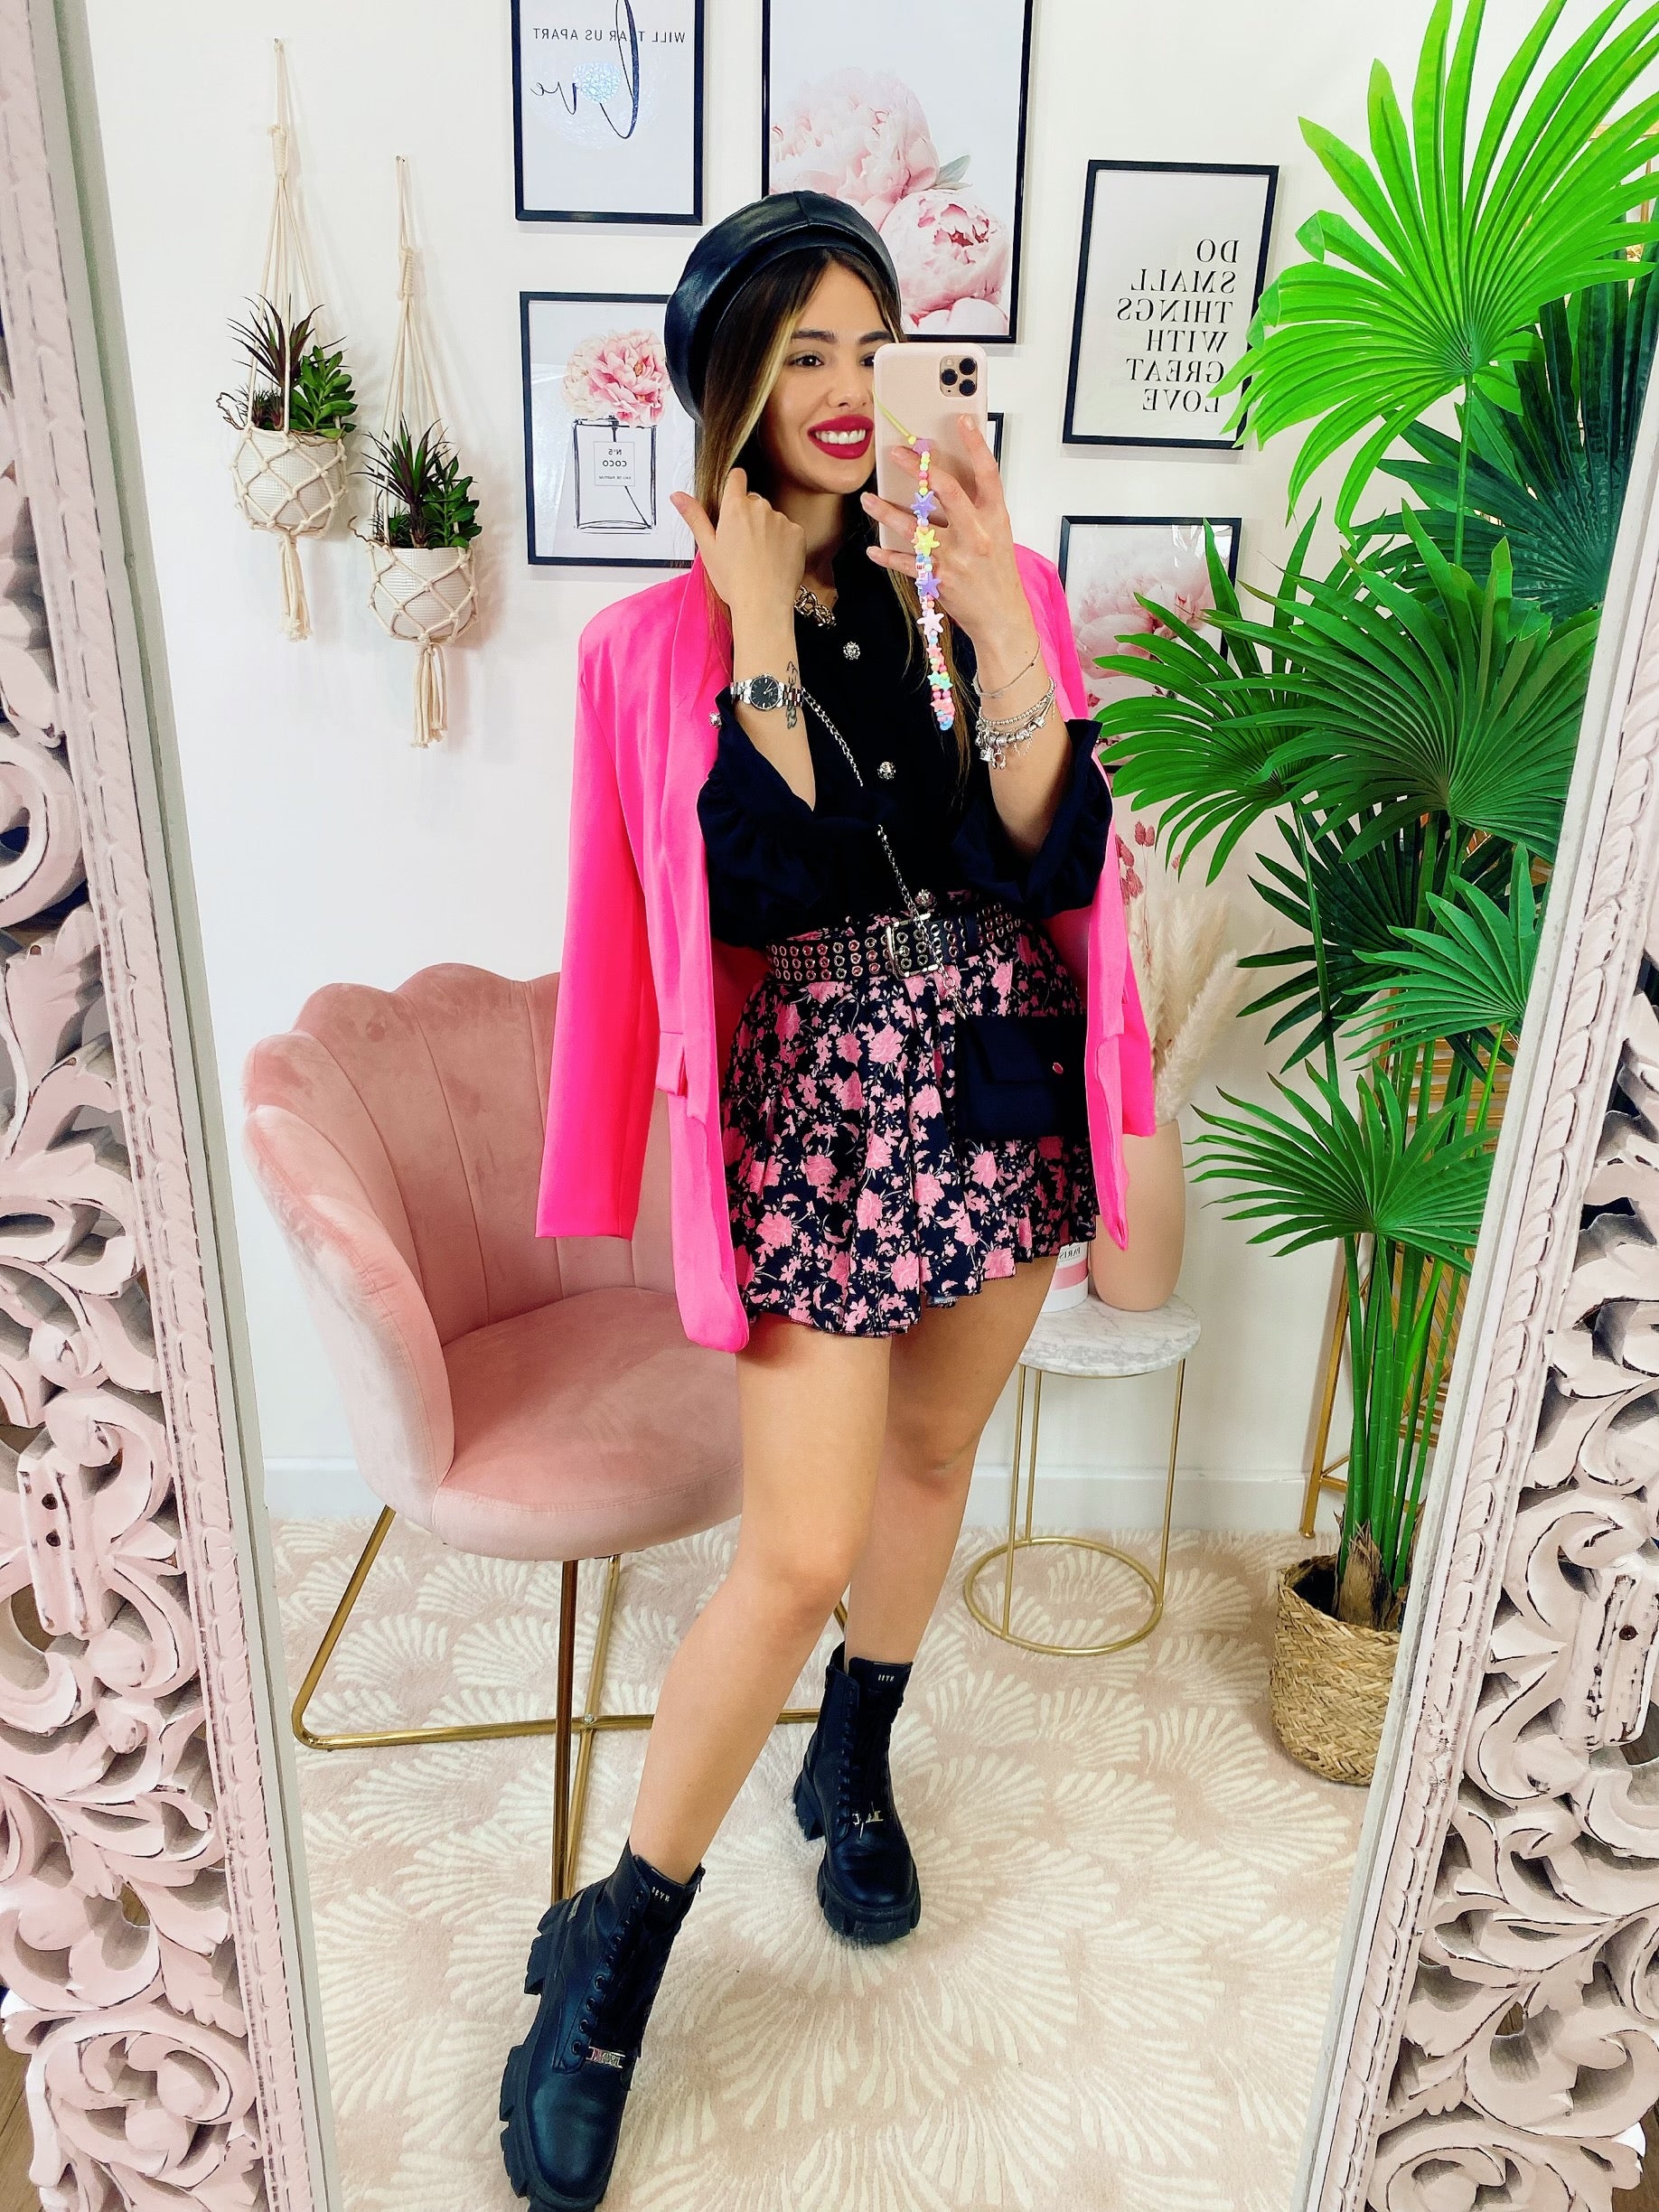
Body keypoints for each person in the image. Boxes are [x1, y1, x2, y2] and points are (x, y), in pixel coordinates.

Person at [502, 192, 1152, 2212]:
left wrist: (1005, 615)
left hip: (999, 1084)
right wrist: (764, 614)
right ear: (730, 386)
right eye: (803, 352)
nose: (852, 387)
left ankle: (851, 1756)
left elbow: (1051, 854)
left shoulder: (971, 581)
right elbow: (759, 887)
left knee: (933, 1462)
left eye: (875, 344)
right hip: (824, 1123)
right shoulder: (653, 645)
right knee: (790, 1552)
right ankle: (611, 1957)